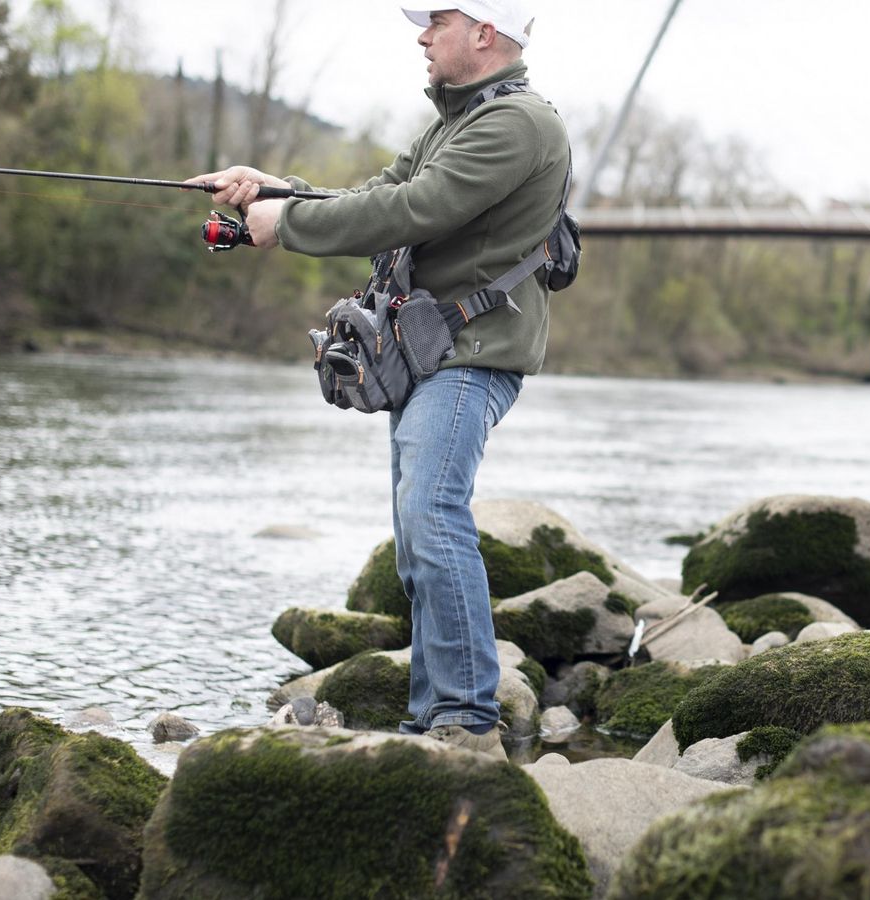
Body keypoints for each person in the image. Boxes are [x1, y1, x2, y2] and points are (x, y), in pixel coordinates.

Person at [194, 1, 569, 761]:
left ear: (485, 34)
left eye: (438, 22)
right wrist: (277, 189)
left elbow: (413, 209)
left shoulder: (518, 123)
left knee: (431, 516)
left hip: (474, 356)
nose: (423, 37)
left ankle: (466, 720)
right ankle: (436, 716)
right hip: (439, 357)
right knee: (415, 533)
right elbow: (380, 191)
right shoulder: (456, 120)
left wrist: (286, 224)